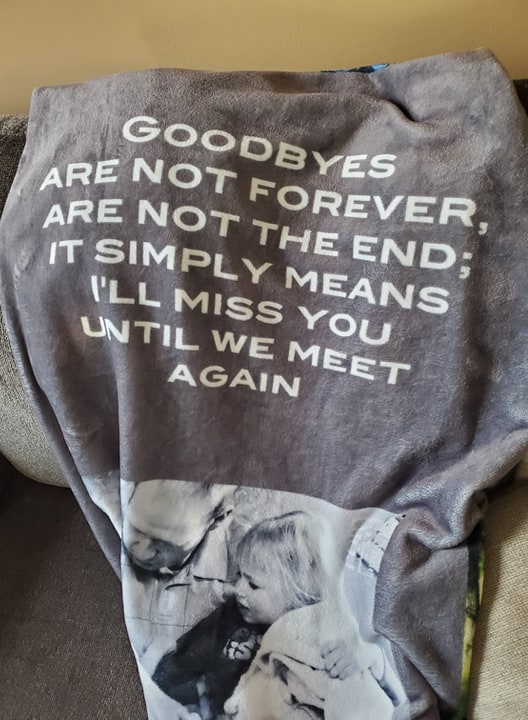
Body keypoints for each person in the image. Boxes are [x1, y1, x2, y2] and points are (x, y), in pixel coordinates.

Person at [153, 511, 328, 720]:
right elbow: (180, 663)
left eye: (253, 584)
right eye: (239, 575)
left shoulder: (300, 645)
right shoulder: (231, 613)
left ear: (295, 598)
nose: (238, 588)